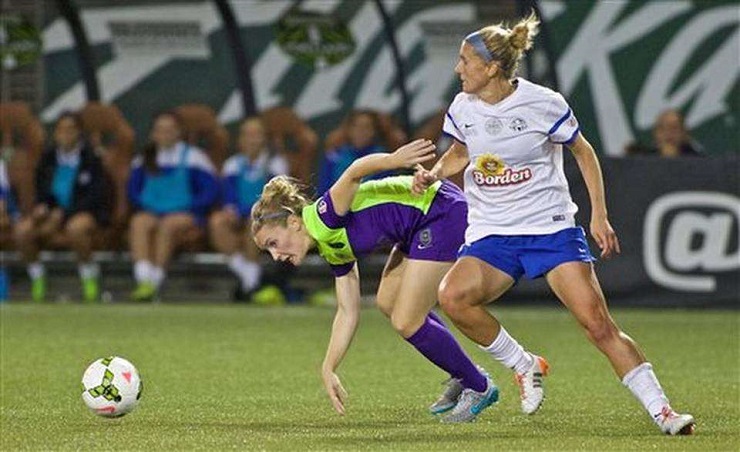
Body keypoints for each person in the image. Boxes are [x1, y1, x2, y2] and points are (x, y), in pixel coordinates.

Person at [413, 12, 695, 435]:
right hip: (493, 232)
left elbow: (584, 152)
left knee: (597, 324)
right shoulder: (462, 106)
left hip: (549, 228)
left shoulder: (545, 102)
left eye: (465, 60)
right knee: (453, 297)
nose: (458, 69)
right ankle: (523, 364)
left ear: (491, 68)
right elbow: (460, 152)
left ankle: (664, 413)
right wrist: (435, 173)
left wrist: (598, 214)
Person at [252, 139, 533, 422]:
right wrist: (329, 367)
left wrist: (394, 158)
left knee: (406, 320)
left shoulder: (323, 216)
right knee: (389, 303)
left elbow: (354, 171)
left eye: (273, 243)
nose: (275, 255)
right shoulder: (330, 247)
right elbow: (347, 311)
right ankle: (464, 372)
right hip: (417, 225)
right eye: (269, 250)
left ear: (293, 222)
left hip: (439, 211)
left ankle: (479, 386)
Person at [14, 112, 110, 303]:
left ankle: (88, 277)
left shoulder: (91, 159)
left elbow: (96, 196)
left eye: (70, 130)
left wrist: (65, 214)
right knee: (22, 230)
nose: (65, 134)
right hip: (52, 213)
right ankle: (37, 277)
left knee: (76, 228)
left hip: (84, 212)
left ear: (79, 133)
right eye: (61, 130)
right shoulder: (47, 158)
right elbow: (42, 190)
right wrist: (43, 208)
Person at [127, 111, 219, 301]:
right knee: (139, 223)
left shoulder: (195, 157)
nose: (165, 134)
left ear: (179, 132)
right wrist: (148, 205)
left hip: (185, 214)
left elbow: (210, 192)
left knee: (168, 225)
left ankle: (156, 282)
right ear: (153, 133)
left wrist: (189, 206)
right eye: (160, 130)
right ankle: (143, 280)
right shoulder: (144, 159)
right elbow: (133, 192)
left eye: (170, 130)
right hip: (152, 212)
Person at [209, 116, 290, 303]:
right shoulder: (233, 164)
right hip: (240, 214)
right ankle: (249, 277)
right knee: (217, 222)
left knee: (254, 221)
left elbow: (275, 199)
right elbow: (228, 195)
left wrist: (244, 211)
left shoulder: (275, 164)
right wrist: (231, 210)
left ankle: (250, 283)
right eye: (247, 135)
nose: (252, 140)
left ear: (264, 139)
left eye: (256, 135)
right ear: (240, 140)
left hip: (270, 217)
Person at [317, 110, 390, 194]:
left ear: (374, 131)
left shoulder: (383, 158)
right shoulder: (333, 157)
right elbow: (323, 192)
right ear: (348, 130)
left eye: (367, 127)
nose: (361, 131)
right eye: (356, 126)